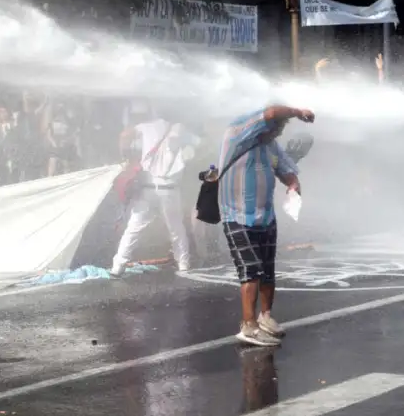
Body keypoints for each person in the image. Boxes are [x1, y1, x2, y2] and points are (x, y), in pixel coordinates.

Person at [218, 105, 314, 347]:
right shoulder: (238, 134)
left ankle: (265, 317)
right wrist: (297, 111)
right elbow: (271, 111)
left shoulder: (271, 146)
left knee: (267, 272)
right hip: (237, 216)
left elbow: (286, 171)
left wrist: (293, 185)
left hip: (265, 217)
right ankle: (248, 326)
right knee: (250, 271)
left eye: (281, 129)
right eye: (276, 127)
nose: (277, 132)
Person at [110, 107, 200, 276]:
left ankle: (118, 266)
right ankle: (184, 264)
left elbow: (124, 135)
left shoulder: (147, 126)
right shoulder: (180, 128)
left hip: (147, 188)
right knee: (176, 229)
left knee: (134, 228)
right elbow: (199, 145)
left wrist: (125, 155)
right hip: (170, 190)